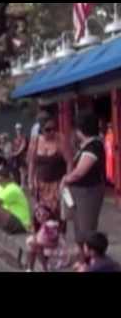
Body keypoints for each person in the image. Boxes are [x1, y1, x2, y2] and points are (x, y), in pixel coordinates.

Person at [61, 113, 106, 265]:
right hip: (78, 192)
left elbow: (80, 171)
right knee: (78, 229)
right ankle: (82, 260)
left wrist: (66, 179)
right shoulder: (84, 146)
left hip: (89, 192)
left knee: (87, 229)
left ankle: (92, 262)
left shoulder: (94, 146)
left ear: (81, 129)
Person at [28, 113, 72, 228]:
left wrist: (67, 180)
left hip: (57, 183)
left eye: (53, 128)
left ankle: (58, 239)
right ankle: (43, 238)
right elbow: (31, 162)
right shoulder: (35, 140)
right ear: (41, 129)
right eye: (48, 129)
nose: (51, 132)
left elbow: (69, 161)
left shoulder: (60, 139)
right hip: (41, 183)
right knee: (41, 213)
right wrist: (30, 180)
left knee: (57, 214)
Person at [11, 123, 28, 187]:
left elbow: (23, 146)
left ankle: (23, 184)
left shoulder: (24, 137)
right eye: (17, 129)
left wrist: (17, 153)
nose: (18, 130)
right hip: (16, 157)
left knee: (22, 171)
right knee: (16, 170)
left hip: (22, 156)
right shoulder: (15, 138)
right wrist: (13, 153)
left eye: (20, 129)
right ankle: (18, 183)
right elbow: (13, 147)